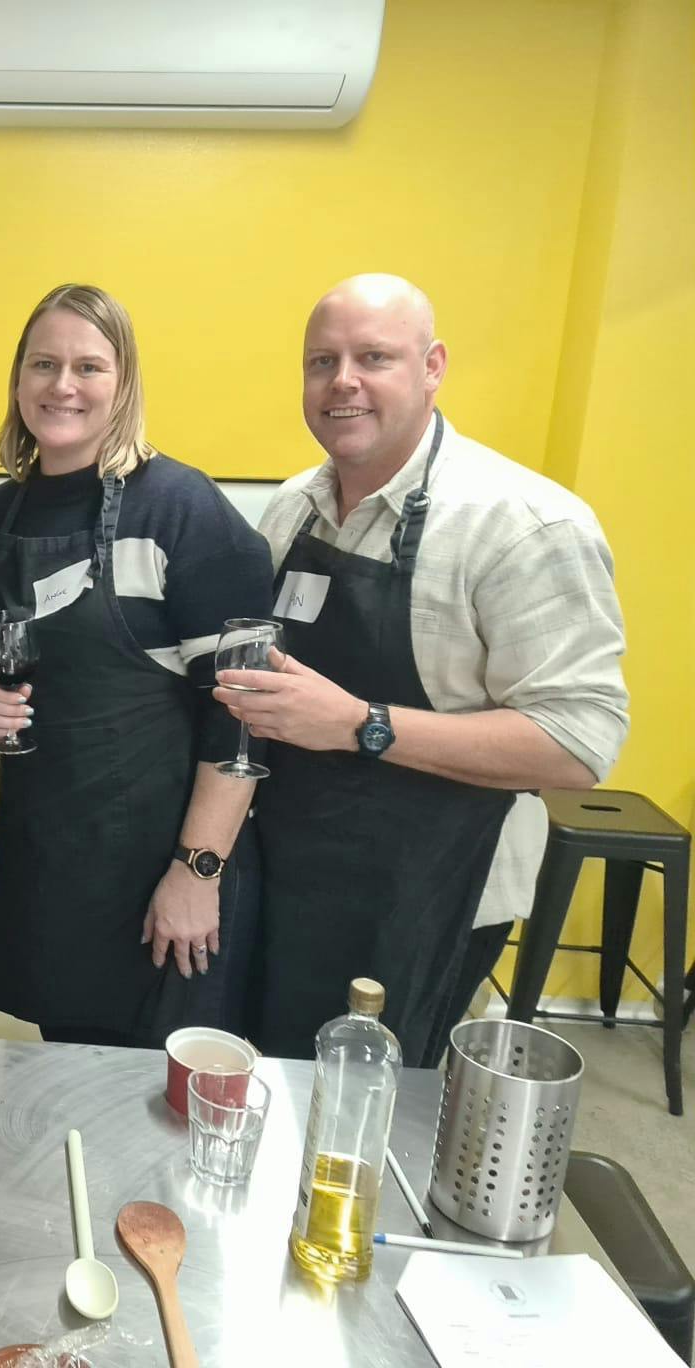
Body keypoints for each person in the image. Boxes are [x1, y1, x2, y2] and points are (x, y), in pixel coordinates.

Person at [216, 273, 628, 1067]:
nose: (343, 381)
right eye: (322, 361)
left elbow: (580, 742)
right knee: (273, 1084)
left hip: (425, 893)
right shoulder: (295, 505)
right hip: (290, 869)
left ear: (432, 366)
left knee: (366, 1107)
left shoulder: (522, 524)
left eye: (374, 357)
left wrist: (360, 725)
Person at [0, 284, 275, 1045]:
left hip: (167, 872)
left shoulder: (182, 510)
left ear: (125, 381)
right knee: (71, 1075)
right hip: (51, 862)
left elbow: (244, 720)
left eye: (89, 367)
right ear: (18, 379)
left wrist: (196, 871)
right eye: (44, 364)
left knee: (165, 1094)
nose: (62, 386)